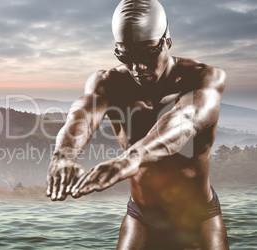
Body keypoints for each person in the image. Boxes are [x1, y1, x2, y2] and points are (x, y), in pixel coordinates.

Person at [46, 0, 230, 249]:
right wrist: (64, 155)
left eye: (147, 54)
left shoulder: (203, 78)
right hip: (142, 220)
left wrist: (129, 159)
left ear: (167, 41)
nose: (137, 67)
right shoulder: (108, 82)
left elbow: (182, 122)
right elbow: (82, 116)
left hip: (197, 219)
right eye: (126, 56)